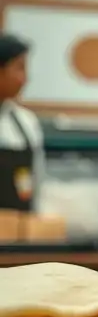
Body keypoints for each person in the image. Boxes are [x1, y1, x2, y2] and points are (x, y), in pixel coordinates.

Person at [0, 34, 47, 213]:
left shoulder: (26, 122)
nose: (25, 79)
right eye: (19, 68)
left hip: (18, 233)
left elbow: (38, 180)